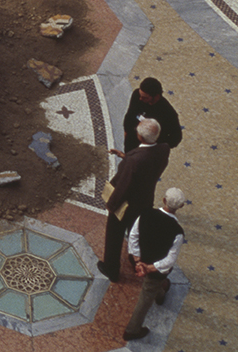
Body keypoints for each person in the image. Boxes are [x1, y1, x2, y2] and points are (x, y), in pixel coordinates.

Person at [98, 119, 171, 282]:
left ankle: (111, 269)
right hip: (145, 201)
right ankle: (137, 261)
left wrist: (111, 205)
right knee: (136, 233)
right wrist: (126, 157)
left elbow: (124, 187)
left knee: (114, 235)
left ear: (140, 137)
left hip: (127, 205)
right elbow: (146, 164)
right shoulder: (164, 149)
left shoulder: (134, 161)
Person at [123, 187, 186, 342]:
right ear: (181, 207)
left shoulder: (145, 214)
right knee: (145, 297)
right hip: (157, 271)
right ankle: (132, 330)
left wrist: (139, 262)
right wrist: (150, 268)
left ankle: (161, 292)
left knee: (150, 290)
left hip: (139, 261)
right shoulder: (178, 232)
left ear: (163, 200)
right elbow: (170, 260)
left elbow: (133, 236)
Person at [122, 77, 183, 153]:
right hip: (132, 142)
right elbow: (130, 115)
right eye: (140, 95)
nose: (140, 99)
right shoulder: (137, 96)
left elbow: (176, 137)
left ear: (156, 96)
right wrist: (126, 133)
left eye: (145, 97)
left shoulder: (168, 113)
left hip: (149, 151)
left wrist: (156, 146)